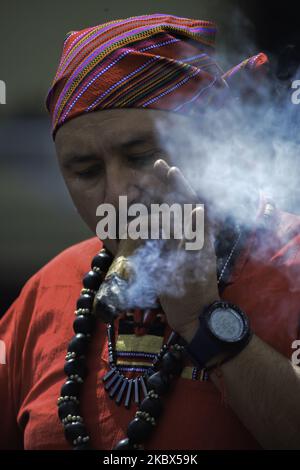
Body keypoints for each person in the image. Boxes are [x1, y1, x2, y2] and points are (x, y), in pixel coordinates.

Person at [1, 13, 300, 451]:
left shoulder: (291, 261)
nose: (118, 193)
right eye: (86, 170)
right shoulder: (48, 288)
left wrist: (204, 321)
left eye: (142, 156)